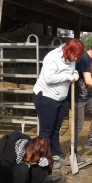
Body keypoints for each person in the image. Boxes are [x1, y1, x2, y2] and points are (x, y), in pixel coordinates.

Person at [33, 39, 84, 169]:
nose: (76, 59)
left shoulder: (71, 59)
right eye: (75, 56)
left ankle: (56, 155)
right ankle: (43, 159)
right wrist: (68, 76)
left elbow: (72, 71)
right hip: (46, 96)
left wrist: (76, 73)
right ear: (68, 50)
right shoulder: (52, 57)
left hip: (60, 98)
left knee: (56, 129)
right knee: (46, 130)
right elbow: (49, 78)